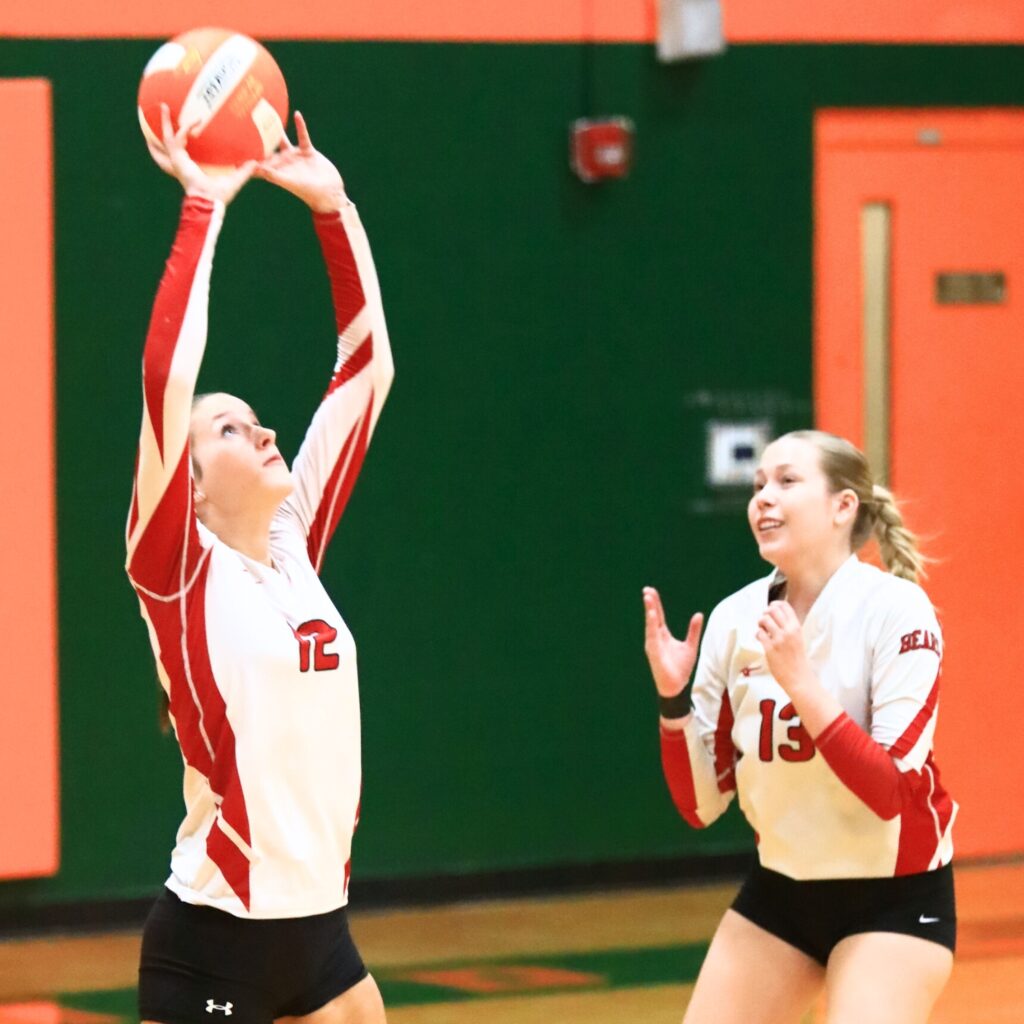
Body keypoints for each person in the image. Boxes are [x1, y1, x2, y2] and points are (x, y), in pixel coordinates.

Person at [125, 105, 394, 1024]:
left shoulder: (293, 545)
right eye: (230, 428)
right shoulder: (176, 571)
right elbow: (168, 379)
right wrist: (204, 204)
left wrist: (334, 209)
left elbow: (364, 373)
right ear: (189, 487)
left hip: (322, 932)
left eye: (253, 414)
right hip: (215, 944)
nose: (265, 428)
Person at [643, 430, 957, 1024]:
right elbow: (700, 807)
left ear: (843, 507)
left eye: (787, 481)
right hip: (782, 891)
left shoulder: (897, 611)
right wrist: (672, 699)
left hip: (894, 898)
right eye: (758, 484)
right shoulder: (736, 619)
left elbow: (889, 793)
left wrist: (800, 682)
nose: (763, 497)